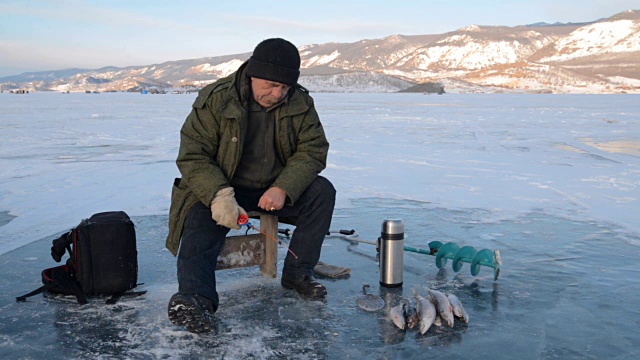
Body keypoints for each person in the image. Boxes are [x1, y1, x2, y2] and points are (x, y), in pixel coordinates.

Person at [165, 38, 336, 333]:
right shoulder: (217, 99)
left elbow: (313, 150)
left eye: (284, 87)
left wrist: (284, 186)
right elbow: (193, 155)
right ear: (253, 73)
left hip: (274, 188)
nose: (278, 93)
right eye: (270, 85)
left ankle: (297, 273)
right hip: (224, 185)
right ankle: (195, 299)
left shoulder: (300, 101)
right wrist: (219, 194)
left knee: (322, 192)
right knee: (197, 213)